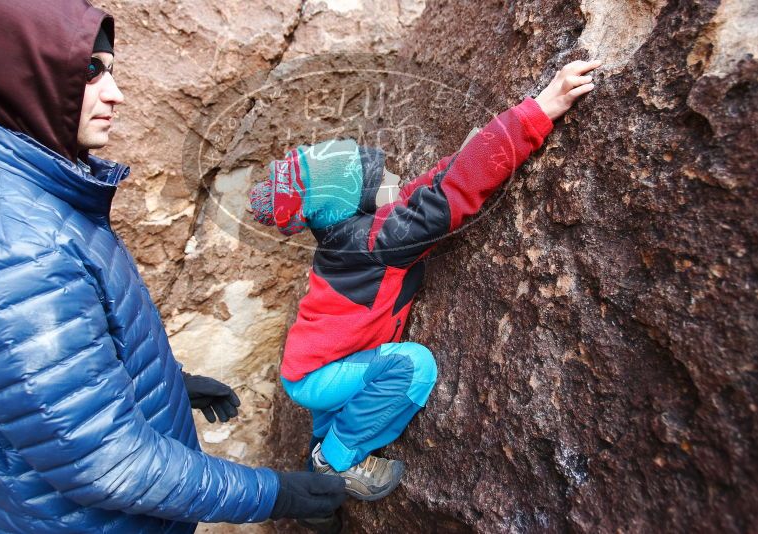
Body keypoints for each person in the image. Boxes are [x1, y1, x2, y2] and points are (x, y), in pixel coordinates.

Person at [0, 1, 345, 532]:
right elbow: (108, 463)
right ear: (22, 77)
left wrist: (167, 382)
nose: (114, 93)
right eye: (91, 71)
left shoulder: (33, 197)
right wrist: (275, 494)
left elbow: (61, 383)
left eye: (110, 71)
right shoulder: (14, 251)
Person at [249, 60, 601, 500]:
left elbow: (431, 183)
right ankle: (335, 463)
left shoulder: (352, 234)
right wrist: (537, 111)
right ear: (348, 204)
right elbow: (450, 192)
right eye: (375, 182)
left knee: (338, 411)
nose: (391, 181)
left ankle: (316, 499)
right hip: (318, 374)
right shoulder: (374, 241)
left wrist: (493, 136)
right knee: (413, 367)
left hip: (312, 363)